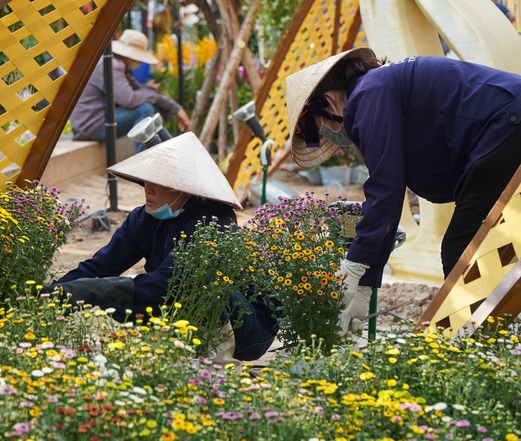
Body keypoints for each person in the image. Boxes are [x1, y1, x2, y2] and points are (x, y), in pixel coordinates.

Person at [285, 47, 521, 336]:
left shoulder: (369, 94)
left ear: (329, 101)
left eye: (318, 129)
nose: (325, 136)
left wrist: (355, 262)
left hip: (509, 123)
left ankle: (479, 347)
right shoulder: (375, 90)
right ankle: (492, 341)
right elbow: (388, 192)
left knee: (461, 250)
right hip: (507, 125)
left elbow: (386, 189)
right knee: (492, 244)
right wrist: (367, 282)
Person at [41, 132, 280, 361]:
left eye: (161, 182)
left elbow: (168, 284)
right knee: (115, 300)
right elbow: (100, 266)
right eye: (147, 180)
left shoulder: (213, 221)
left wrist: (89, 291)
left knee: (194, 280)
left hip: (248, 329)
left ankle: (214, 361)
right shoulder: (142, 219)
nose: (148, 188)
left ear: (184, 189)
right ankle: (179, 349)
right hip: (188, 304)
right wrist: (50, 296)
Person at [70, 29, 191, 153]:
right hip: (90, 126)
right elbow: (130, 100)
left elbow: (142, 92)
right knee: (144, 110)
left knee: (151, 108)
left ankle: (165, 154)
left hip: (95, 122)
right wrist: (150, 90)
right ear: (130, 56)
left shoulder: (118, 65)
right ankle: (144, 163)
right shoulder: (110, 65)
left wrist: (177, 109)